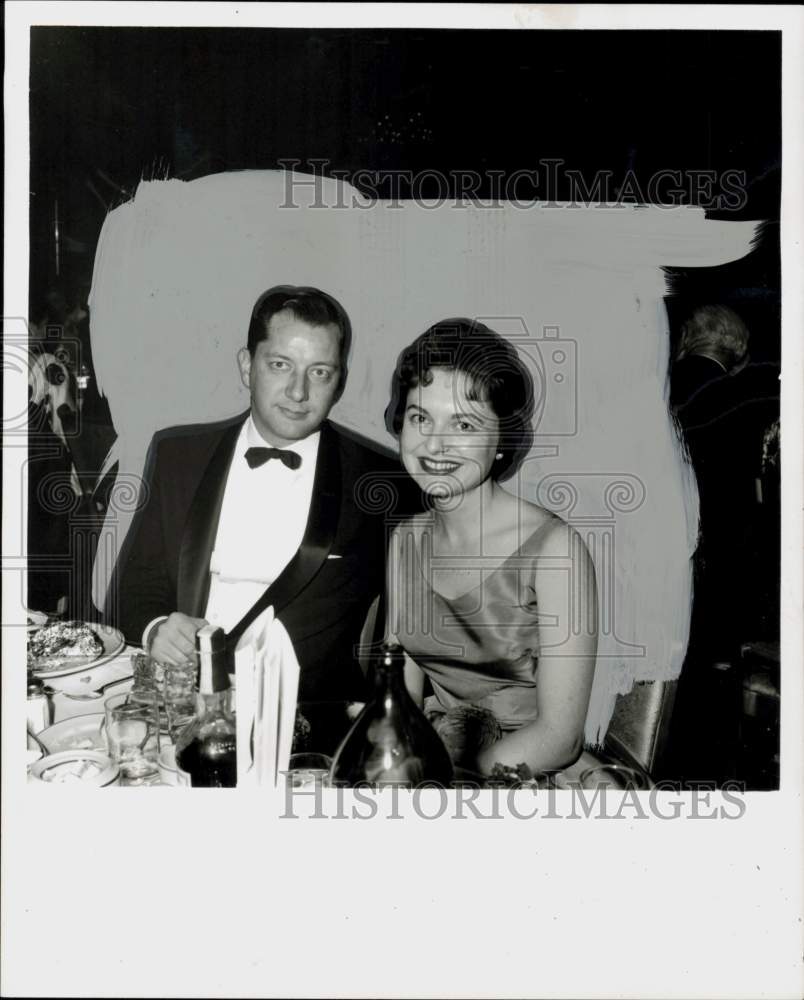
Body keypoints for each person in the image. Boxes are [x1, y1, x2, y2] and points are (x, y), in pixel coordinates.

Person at [110, 285, 406, 703]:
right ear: (247, 367)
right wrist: (156, 628)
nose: (299, 392)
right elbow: (130, 590)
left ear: (339, 382)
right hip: (179, 700)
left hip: (307, 720)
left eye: (320, 372)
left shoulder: (382, 480)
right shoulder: (178, 456)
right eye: (280, 365)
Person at [384, 319, 598, 776]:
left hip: (528, 774)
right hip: (432, 764)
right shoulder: (404, 540)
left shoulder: (555, 549)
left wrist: (449, 781)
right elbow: (399, 700)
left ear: (501, 438)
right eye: (420, 417)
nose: (434, 443)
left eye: (463, 423)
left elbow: (561, 738)